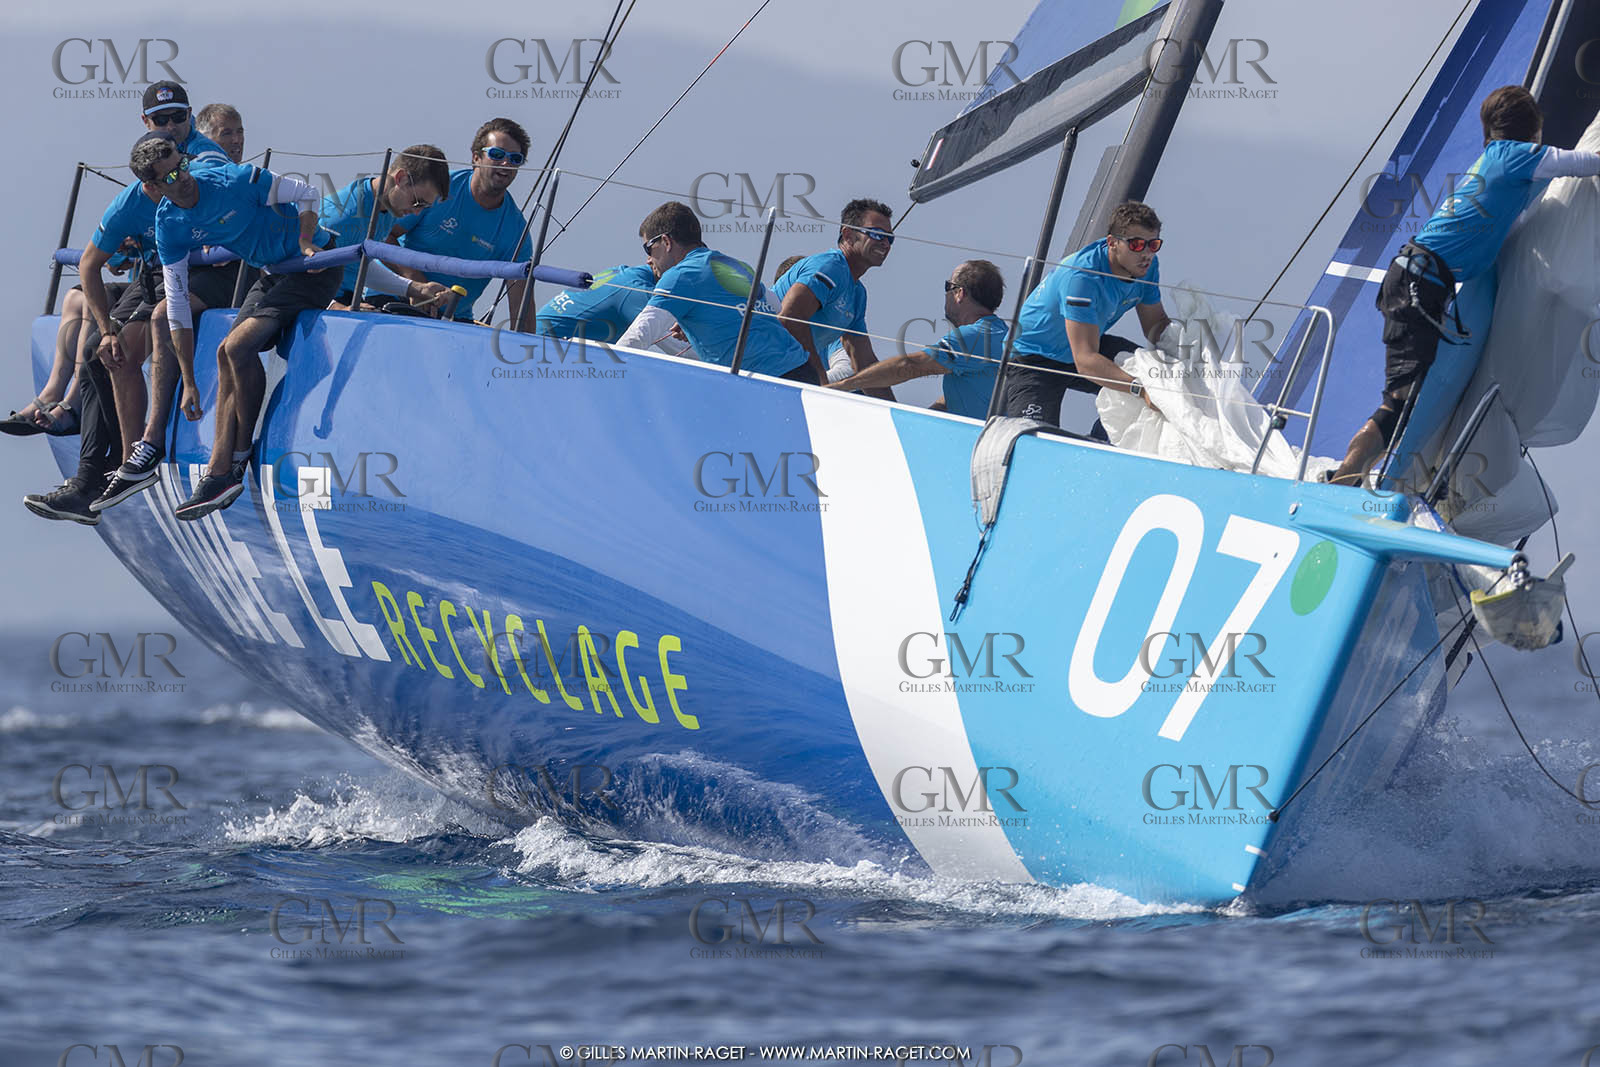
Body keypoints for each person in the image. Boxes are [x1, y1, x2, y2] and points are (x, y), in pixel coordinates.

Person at [125, 136, 431, 519]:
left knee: (237, 347)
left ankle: (227, 467)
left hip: (312, 270)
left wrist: (305, 240)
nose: (183, 178)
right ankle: (226, 470)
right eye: (170, 177)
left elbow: (306, 191)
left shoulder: (230, 179)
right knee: (225, 351)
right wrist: (188, 380)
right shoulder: (168, 222)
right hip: (272, 273)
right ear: (152, 190)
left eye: (182, 165)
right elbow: (177, 307)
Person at [1329, 85, 1600, 487]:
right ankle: (1344, 478)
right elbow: (1584, 163)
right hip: (1418, 281)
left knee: (1403, 402)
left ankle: (1350, 479)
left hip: (1416, 277)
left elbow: (1511, 223)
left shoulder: (1498, 160)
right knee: (1400, 404)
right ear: (1534, 129)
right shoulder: (1514, 156)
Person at [19, 83, 230, 523]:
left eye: (179, 118)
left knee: (157, 321)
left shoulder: (203, 164)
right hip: (162, 269)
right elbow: (90, 265)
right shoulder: (133, 197)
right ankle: (103, 474)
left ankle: (137, 454)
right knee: (102, 348)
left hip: (213, 267)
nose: (171, 128)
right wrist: (110, 329)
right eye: (161, 120)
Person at [1001, 200, 1174, 432]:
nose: (1146, 254)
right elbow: (1085, 361)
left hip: (1086, 345)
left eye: (1153, 245)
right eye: (1136, 245)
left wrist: (1193, 350)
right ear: (1112, 243)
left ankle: (1104, 439)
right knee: (1034, 437)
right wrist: (1140, 389)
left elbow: (1156, 325)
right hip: (1034, 359)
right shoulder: (1082, 277)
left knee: (1158, 375)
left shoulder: (1148, 267)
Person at [615, 201, 809, 379]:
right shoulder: (735, 265)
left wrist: (605, 373)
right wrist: (707, 319)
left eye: (648, 249)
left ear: (666, 242)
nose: (648, 260)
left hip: (768, 380)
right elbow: (774, 307)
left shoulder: (680, 275)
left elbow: (638, 336)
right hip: (802, 371)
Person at [393, 118, 533, 328]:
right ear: (476, 157)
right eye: (497, 154)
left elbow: (521, 306)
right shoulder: (437, 191)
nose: (506, 163)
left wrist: (525, 353)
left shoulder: (516, 230)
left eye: (515, 159)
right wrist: (415, 283)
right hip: (397, 300)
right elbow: (383, 235)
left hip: (455, 321)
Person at [827, 260, 1008, 420]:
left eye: (948, 286)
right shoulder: (997, 334)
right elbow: (956, 397)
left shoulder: (975, 336)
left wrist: (844, 385)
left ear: (960, 293)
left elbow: (912, 366)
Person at [770, 198, 894, 390]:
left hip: (778, 371)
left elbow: (864, 361)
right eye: (877, 234)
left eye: (890, 238)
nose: (886, 244)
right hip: (754, 364)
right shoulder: (831, 266)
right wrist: (820, 379)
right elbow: (790, 317)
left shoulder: (858, 293)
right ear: (848, 235)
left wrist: (897, 410)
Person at [321, 146, 451, 309]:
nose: (417, 213)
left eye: (425, 208)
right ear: (401, 179)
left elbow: (359, 266)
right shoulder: (341, 216)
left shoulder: (388, 208)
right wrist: (337, 308)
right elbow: (294, 274)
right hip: (311, 306)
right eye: (418, 203)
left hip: (340, 299)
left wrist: (417, 289)